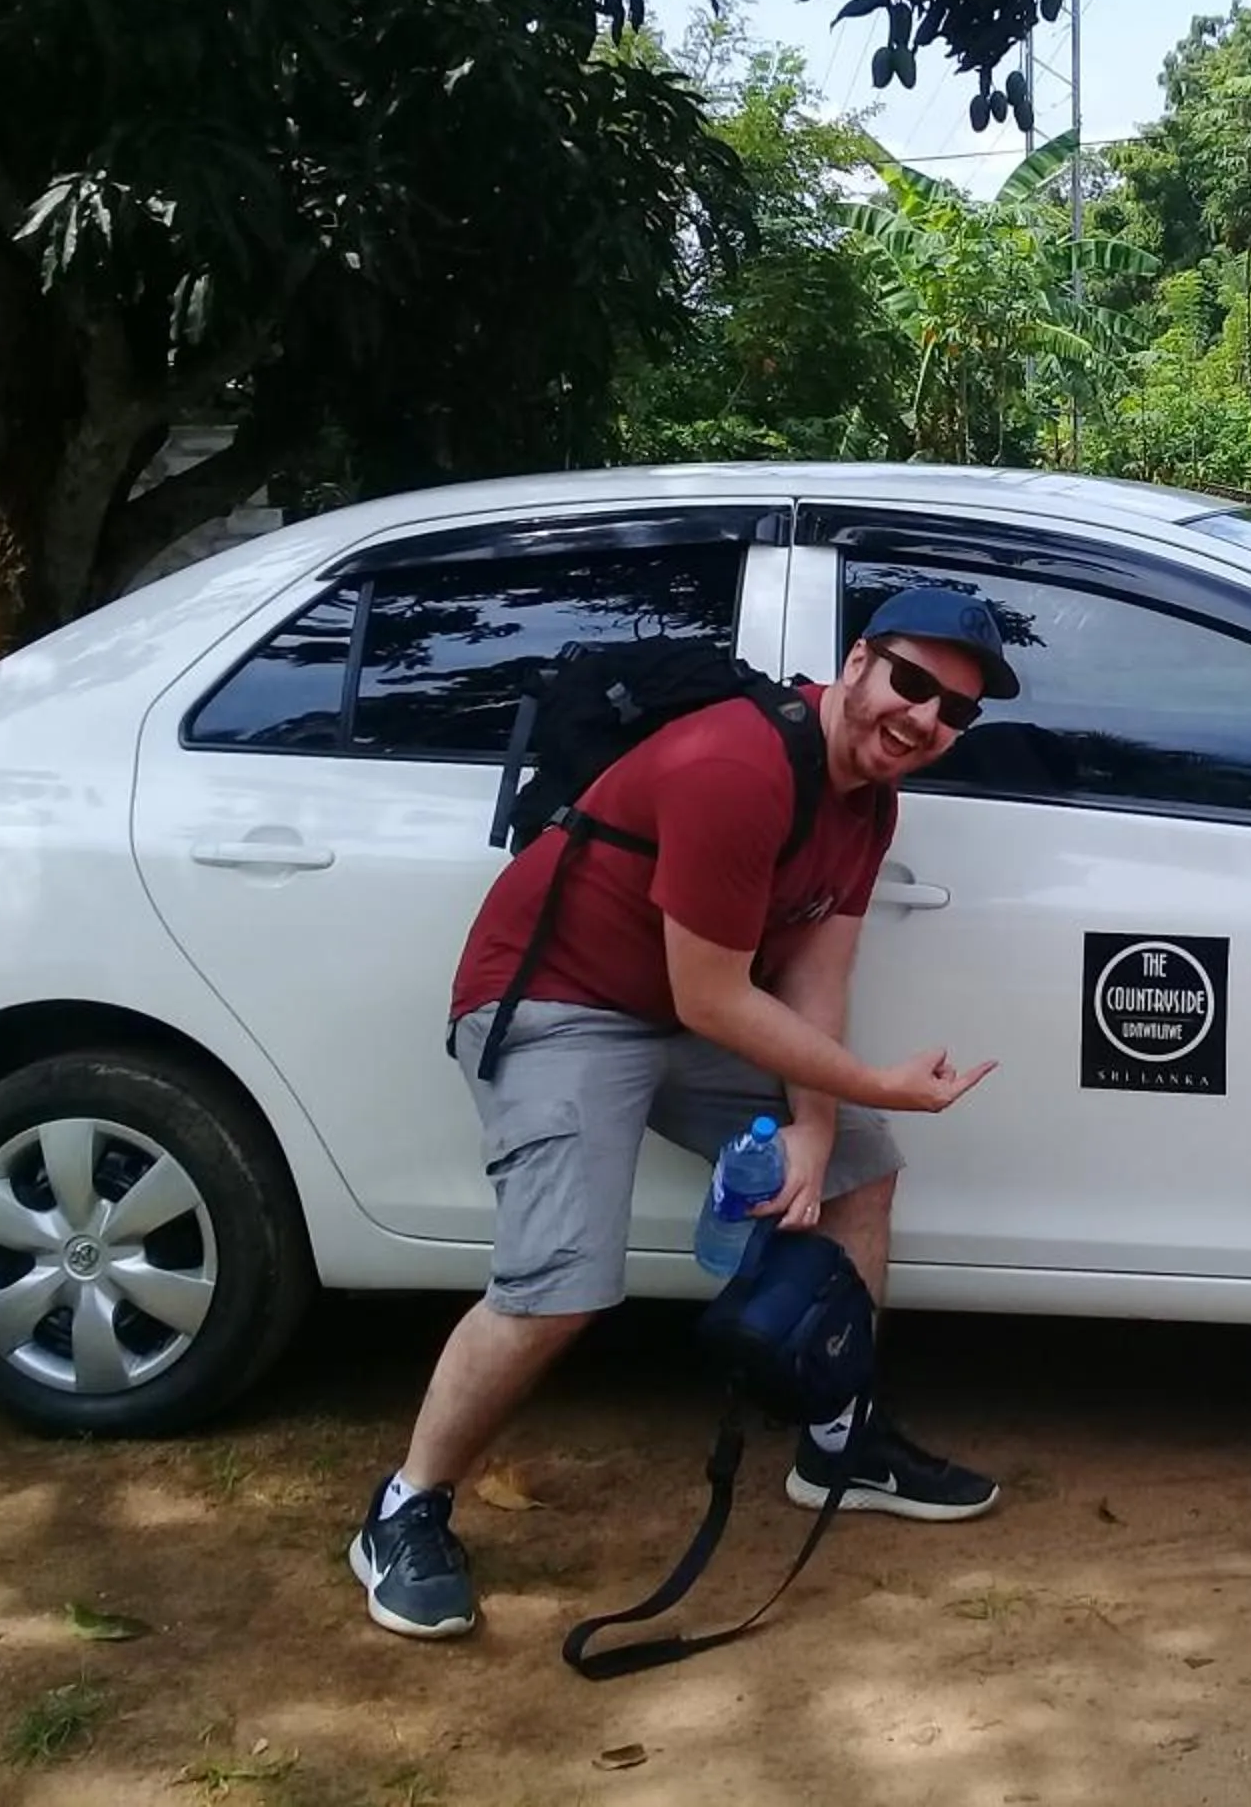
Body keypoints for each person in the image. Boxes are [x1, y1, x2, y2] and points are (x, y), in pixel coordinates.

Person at [352, 587, 1017, 1641]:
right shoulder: (737, 766)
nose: (927, 718)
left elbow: (810, 967)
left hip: (677, 1009)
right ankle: (407, 1507)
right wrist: (872, 1081)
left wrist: (820, 1122)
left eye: (957, 711)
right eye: (913, 682)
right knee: (561, 1288)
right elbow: (716, 996)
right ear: (857, 663)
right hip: (559, 1007)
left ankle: (836, 1437)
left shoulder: (870, 801)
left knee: (858, 1167)